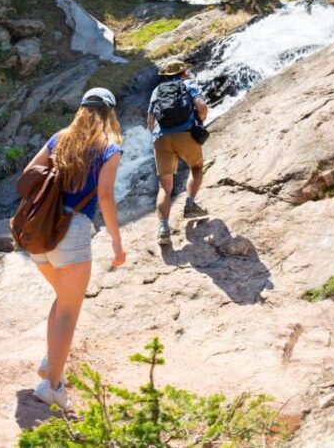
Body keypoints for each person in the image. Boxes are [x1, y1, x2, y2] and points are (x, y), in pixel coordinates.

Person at [24, 87, 126, 411]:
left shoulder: (58, 139)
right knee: (69, 310)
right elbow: (106, 197)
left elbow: (28, 176)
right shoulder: (110, 148)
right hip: (72, 232)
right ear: (109, 113)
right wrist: (116, 240)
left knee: (62, 301)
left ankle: (50, 363)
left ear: (81, 110)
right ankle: (52, 385)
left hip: (39, 235)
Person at [147, 60, 209, 246]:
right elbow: (202, 107)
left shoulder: (157, 91)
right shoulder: (188, 84)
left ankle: (163, 229)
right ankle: (190, 204)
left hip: (161, 138)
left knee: (165, 186)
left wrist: (160, 137)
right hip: (186, 134)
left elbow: (150, 121)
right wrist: (200, 122)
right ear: (182, 73)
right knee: (196, 168)